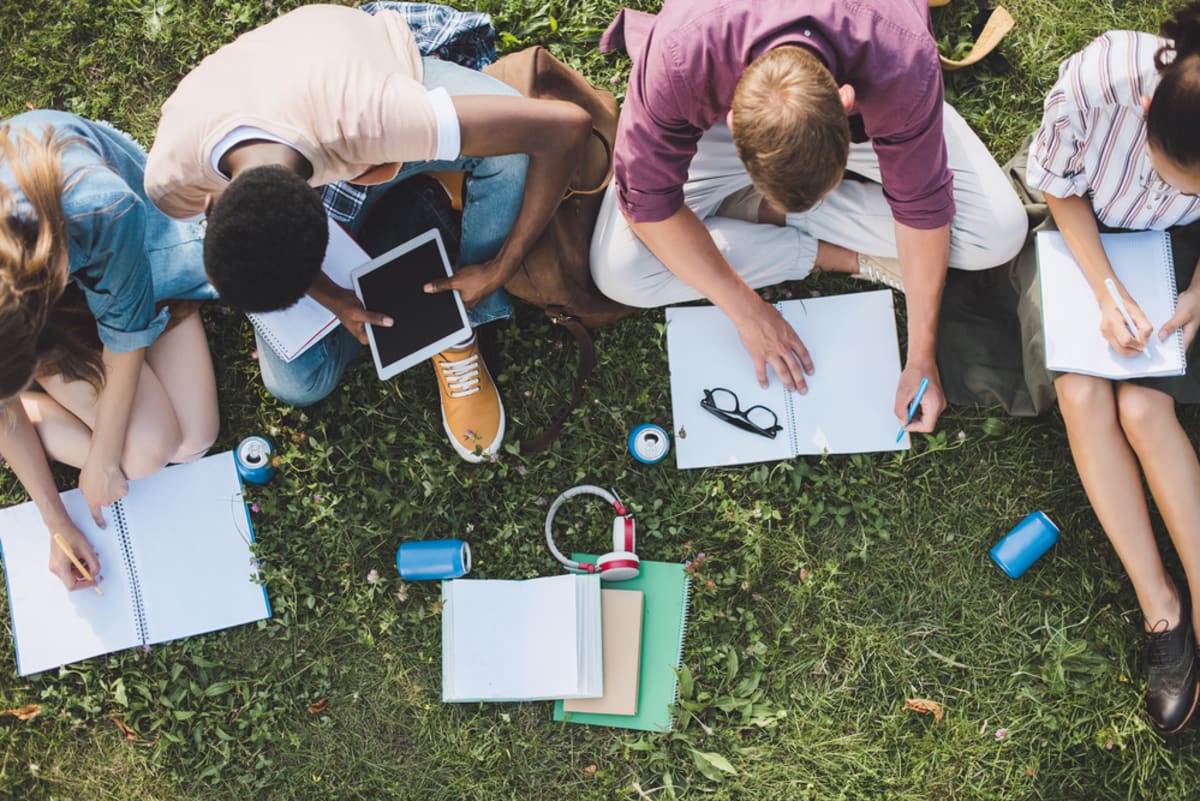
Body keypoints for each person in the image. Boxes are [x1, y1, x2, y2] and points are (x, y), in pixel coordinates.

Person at [145, 3, 590, 463]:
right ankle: (424, 220)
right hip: (287, 94)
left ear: (328, 222)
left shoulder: (377, 119)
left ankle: (463, 320)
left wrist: (502, 267)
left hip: (363, 69)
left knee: (510, 159)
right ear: (211, 202)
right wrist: (332, 297)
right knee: (296, 382)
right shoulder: (170, 179)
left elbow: (565, 128)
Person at [590, 0, 1027, 435]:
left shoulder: (902, 58)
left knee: (997, 234)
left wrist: (920, 359)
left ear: (846, 102)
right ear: (729, 117)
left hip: (875, 84)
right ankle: (817, 242)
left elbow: (923, 207)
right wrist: (747, 311)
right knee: (620, 271)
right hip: (720, 101)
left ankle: (752, 213)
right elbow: (645, 203)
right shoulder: (681, 53)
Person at [1027, 3, 1200, 735]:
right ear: (1147, 109)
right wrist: (1104, 287)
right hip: (1087, 234)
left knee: (1144, 409)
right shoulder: (1100, 80)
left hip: (1182, 257)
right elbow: (1058, 185)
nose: (1180, 188)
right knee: (1082, 391)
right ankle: (1160, 607)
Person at [0, 111, 219, 591]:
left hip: (112, 251)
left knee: (192, 441)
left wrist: (100, 460)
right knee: (148, 454)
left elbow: (125, 332)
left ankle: (45, 404)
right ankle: (36, 409)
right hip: (51, 288)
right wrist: (56, 521)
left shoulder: (98, 210)